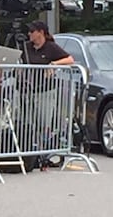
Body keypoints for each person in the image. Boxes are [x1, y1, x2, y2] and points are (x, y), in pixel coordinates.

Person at [22, 20, 74, 162]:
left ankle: (44, 151)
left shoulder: (51, 47)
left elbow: (70, 59)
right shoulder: (26, 47)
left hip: (45, 90)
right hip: (27, 91)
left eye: (32, 32)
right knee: (28, 121)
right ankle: (30, 151)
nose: (29, 34)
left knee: (43, 121)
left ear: (40, 32)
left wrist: (54, 64)